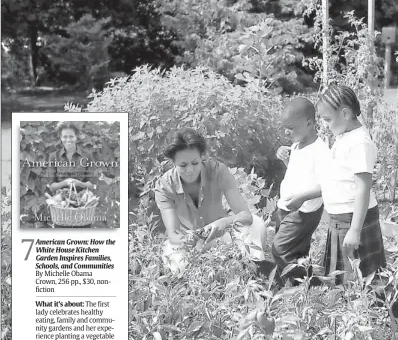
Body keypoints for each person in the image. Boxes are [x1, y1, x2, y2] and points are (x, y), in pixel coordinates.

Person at [287, 85, 386, 285]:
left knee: (365, 281)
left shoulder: (360, 143)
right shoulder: (344, 137)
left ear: (345, 113)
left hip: (354, 220)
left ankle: (377, 316)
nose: (325, 125)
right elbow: (336, 181)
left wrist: (355, 230)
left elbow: (362, 189)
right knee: (344, 281)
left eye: (328, 120)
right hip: (341, 219)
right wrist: (303, 196)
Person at [154, 128, 268, 273]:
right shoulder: (165, 185)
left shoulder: (217, 171)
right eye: (183, 165)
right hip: (190, 243)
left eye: (195, 163)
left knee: (257, 224)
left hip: (222, 236)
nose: (190, 170)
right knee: (176, 262)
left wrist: (224, 222)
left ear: (202, 157)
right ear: (172, 162)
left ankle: (252, 275)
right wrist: (188, 239)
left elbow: (245, 215)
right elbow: (173, 235)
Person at [272, 97, 330, 286]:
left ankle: (310, 281)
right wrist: (285, 159)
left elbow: (327, 184)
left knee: (279, 248)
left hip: (304, 211)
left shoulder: (320, 151)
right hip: (287, 206)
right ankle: (298, 288)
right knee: (297, 250)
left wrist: (303, 197)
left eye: (291, 127)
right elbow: (298, 173)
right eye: (285, 128)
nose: (287, 132)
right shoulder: (297, 145)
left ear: (310, 124)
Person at [46, 122, 97, 228]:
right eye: (64, 136)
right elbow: (52, 186)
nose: (68, 140)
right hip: (61, 209)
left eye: (71, 136)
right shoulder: (53, 157)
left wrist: (79, 183)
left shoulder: (87, 155)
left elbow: (91, 185)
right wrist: (65, 182)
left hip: (82, 208)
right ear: (60, 137)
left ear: (76, 137)